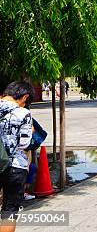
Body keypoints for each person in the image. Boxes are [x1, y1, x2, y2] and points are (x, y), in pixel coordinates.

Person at [0, 81, 34, 225]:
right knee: (9, 211)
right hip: (14, 167)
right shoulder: (23, 113)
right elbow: (24, 144)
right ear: (25, 97)